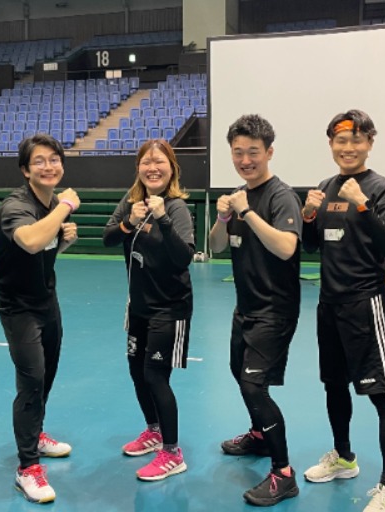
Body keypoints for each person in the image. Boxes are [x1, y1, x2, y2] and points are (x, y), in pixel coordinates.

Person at [301, 109, 385, 512]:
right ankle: (344, 457)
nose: (348, 147)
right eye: (341, 140)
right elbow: (312, 245)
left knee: (381, 394)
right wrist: (308, 216)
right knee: (334, 385)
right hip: (329, 303)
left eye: (356, 140)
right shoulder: (325, 187)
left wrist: (363, 206)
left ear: (369, 144)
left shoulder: (382, 189)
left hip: (366, 304)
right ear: (331, 144)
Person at [209, 114, 303, 506]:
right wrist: (223, 218)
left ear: (269, 152)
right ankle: (260, 436)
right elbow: (216, 246)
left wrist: (247, 213)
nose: (245, 160)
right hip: (245, 307)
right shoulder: (236, 196)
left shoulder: (281, 196)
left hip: (275, 310)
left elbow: (286, 247)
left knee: (253, 385)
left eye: (253, 152)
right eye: (238, 152)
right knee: (239, 373)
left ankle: (283, 473)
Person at [0, 133, 79, 504]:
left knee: (48, 374)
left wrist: (64, 239)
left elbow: (44, 247)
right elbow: (28, 240)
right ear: (26, 170)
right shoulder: (16, 205)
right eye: (39, 161)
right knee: (32, 379)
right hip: (17, 306)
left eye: (54, 159)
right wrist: (66, 208)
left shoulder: (52, 203)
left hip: (47, 300)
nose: (48, 166)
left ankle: (36, 434)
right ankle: (27, 467)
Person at [103, 139, 195, 481]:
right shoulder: (130, 201)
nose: (153, 168)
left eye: (160, 162)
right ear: (138, 167)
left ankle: (172, 452)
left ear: (171, 168)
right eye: (146, 162)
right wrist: (129, 222)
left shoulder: (177, 207)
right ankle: (154, 430)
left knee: (156, 375)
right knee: (137, 371)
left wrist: (163, 219)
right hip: (138, 306)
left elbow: (183, 258)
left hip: (169, 309)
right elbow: (108, 237)